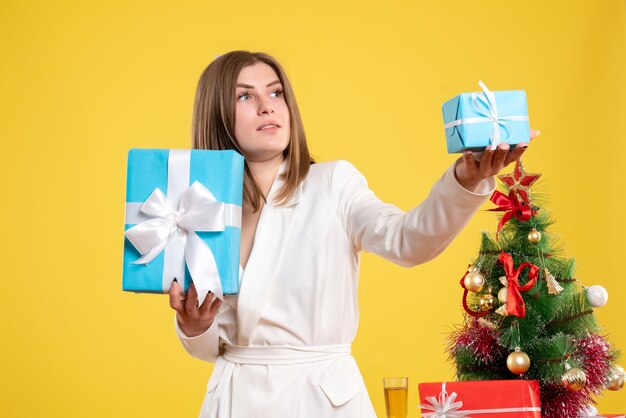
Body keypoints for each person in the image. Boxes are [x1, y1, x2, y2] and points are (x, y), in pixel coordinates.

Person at [168, 50, 535, 418]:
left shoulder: (333, 183)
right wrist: (194, 327)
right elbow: (210, 347)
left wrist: (464, 182)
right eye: (245, 96)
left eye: (276, 92)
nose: (268, 107)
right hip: (231, 401)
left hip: (319, 401)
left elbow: (409, 240)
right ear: (216, 113)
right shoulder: (195, 207)